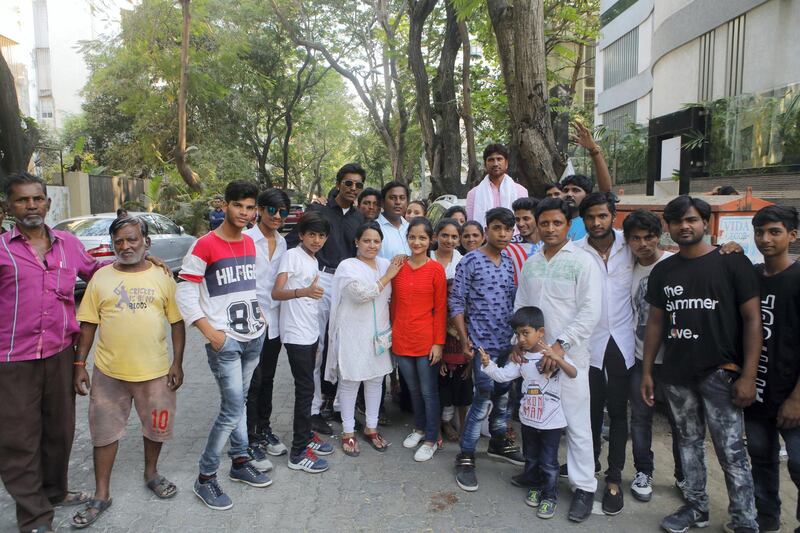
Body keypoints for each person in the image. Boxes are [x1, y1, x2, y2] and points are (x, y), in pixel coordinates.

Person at [640, 195, 761, 533]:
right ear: (669, 226)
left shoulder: (732, 263)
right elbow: (655, 324)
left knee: (732, 450)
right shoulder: (664, 270)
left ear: (705, 223)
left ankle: (744, 519)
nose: (685, 226)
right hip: (678, 373)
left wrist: (748, 374)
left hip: (721, 373)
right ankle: (696, 507)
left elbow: (753, 320)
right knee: (688, 443)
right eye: (677, 221)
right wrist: (648, 371)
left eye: (692, 219)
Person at [0, 173, 101, 533]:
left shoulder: (69, 244)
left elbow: (98, 274)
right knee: (19, 439)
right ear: (8, 206)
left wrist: (139, 263)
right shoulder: (2, 249)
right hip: (13, 360)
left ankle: (54, 492)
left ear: (47, 202)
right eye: (22, 200)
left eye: (37, 199)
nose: (31, 206)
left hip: (60, 353)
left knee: (59, 431)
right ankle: (34, 518)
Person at [70, 216, 186, 528]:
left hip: (156, 372)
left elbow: (176, 322)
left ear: (146, 242)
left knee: (156, 428)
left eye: (132, 239)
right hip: (109, 375)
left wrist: (177, 363)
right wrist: (80, 365)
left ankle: (151, 473)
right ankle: (101, 493)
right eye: (119, 241)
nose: (125, 246)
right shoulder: (101, 278)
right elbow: (88, 325)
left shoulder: (163, 276)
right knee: (104, 434)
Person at [177, 180, 270, 511]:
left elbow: (248, 287)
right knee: (232, 407)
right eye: (238, 206)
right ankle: (205, 478)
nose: (244, 213)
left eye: (249, 208)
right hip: (225, 341)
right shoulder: (204, 245)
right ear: (225, 205)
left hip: (252, 336)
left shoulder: (248, 243)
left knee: (241, 402)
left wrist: (259, 317)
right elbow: (185, 292)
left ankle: (240, 461)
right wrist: (210, 332)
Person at [514, 197, 602, 523]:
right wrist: (518, 343)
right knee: (536, 421)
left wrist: (560, 347)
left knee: (577, 426)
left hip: (569, 358)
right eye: (545, 223)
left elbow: (590, 311)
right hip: (536, 361)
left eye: (557, 223)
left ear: (568, 225)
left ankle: (583, 487)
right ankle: (536, 476)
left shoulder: (583, 262)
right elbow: (521, 306)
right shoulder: (532, 262)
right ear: (537, 224)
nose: (550, 229)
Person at [286, 163, 366, 434]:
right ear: (338, 184)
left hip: (348, 283)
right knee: (317, 347)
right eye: (348, 183)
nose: (353, 189)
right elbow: (291, 241)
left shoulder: (360, 218)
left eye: (358, 185)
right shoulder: (317, 211)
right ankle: (313, 409)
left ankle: (343, 407)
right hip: (320, 279)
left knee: (344, 344)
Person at [451, 207, 524, 492]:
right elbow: (457, 303)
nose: (503, 234)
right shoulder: (470, 261)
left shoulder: (509, 261)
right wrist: (465, 340)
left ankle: (497, 442)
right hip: (481, 347)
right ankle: (466, 455)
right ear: (487, 229)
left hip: (507, 345)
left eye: (508, 229)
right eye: (497, 228)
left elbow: (514, 302)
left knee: (503, 396)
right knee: (482, 398)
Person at [480, 306, 577, 519]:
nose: (521, 339)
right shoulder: (521, 359)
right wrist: (488, 365)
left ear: (540, 332)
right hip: (529, 420)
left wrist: (558, 358)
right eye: (517, 334)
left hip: (552, 423)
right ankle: (534, 485)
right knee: (531, 457)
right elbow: (503, 376)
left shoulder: (550, 354)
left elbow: (573, 372)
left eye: (526, 333)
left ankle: (549, 496)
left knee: (549, 462)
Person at [572, 192, 635, 515]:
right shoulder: (576, 251)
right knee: (590, 410)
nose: (597, 223)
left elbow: (662, 257)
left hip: (623, 340)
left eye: (603, 216)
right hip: (588, 341)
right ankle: (588, 470)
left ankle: (614, 477)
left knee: (619, 411)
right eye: (591, 217)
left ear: (613, 216)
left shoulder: (631, 245)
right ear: (583, 220)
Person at [324, 222, 403, 456]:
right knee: (350, 381)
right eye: (366, 240)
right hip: (352, 333)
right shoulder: (348, 266)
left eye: (376, 241)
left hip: (379, 334)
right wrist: (388, 276)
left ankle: (371, 427)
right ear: (356, 242)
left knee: (376, 381)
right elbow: (360, 295)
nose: (372, 245)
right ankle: (348, 432)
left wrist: (400, 259)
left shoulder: (385, 263)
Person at [623, 209, 684, 504]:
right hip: (638, 358)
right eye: (636, 238)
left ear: (659, 237)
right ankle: (643, 471)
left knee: (681, 422)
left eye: (649, 237)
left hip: (675, 360)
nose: (643, 244)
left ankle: (685, 476)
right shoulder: (628, 266)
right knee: (640, 420)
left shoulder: (675, 263)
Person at [745, 205, 800, 533]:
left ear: (792, 235)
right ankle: (766, 520)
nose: (765, 239)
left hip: (792, 393)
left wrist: (797, 398)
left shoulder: (797, 279)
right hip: (756, 393)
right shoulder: (751, 275)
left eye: (775, 232)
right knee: (762, 461)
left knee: (797, 462)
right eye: (760, 232)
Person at [272, 212, 335, 473]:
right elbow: (276, 291)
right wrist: (303, 292)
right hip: (295, 335)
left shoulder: (311, 259)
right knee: (305, 391)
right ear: (301, 235)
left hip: (310, 334)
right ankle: (298, 453)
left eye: (321, 236)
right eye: (312, 234)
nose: (316, 240)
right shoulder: (292, 256)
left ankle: (306, 435)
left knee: (308, 388)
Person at [392, 217, 447, 462]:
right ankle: (419, 428)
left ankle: (431, 438)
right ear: (407, 239)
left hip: (427, 341)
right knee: (412, 390)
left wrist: (438, 343)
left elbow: (441, 308)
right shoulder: (399, 266)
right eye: (412, 237)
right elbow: (392, 304)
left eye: (422, 238)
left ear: (430, 240)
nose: (417, 242)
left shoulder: (436, 269)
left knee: (428, 391)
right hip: (402, 338)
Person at [244, 189, 290, 457]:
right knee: (253, 380)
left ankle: (264, 428)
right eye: (272, 210)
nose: (277, 216)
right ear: (259, 209)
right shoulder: (246, 240)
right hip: (250, 320)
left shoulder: (282, 243)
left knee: (268, 378)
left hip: (274, 321)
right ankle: (250, 437)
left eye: (283, 212)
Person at [431, 219, 468, 441]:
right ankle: (438, 425)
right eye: (445, 235)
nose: (449, 240)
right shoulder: (427, 259)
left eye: (454, 237)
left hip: (458, 323)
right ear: (436, 236)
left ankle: (455, 424)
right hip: (433, 321)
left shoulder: (463, 261)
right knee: (439, 382)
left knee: (460, 385)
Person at [465, 143, 528, 227]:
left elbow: (525, 221)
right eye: (491, 160)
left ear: (506, 163)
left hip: (515, 239)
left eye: (499, 159)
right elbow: (470, 225)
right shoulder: (473, 194)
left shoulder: (521, 191)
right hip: (484, 239)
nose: (495, 163)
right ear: (485, 165)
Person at [505, 197, 543, 283]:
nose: (520, 224)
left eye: (526, 219)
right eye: (517, 219)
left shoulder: (551, 243)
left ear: (538, 218)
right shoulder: (510, 246)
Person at [376, 181, 411, 260]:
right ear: (382, 202)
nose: (398, 202)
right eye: (392, 198)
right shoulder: (374, 228)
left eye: (402, 198)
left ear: (407, 202)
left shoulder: (410, 227)